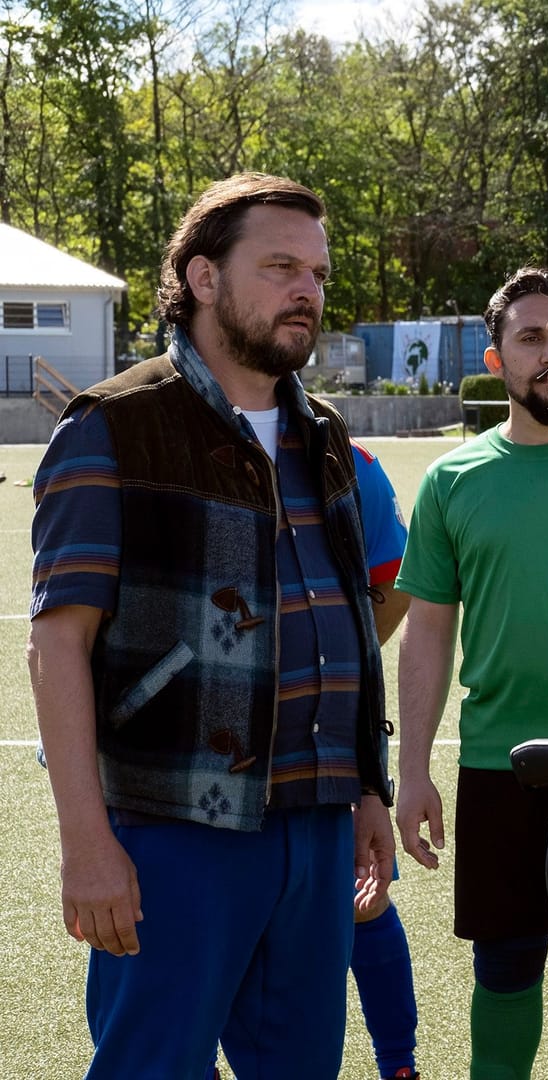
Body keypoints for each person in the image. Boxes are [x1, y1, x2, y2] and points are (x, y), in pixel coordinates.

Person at [27, 172, 395, 1078]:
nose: (306, 290)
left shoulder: (327, 436)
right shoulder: (112, 429)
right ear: (201, 277)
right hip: (173, 829)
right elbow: (57, 645)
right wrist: (87, 842)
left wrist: (367, 785)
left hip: (314, 825)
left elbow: (349, 617)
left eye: (316, 272)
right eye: (278, 267)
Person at [393, 268, 548, 1079]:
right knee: (506, 967)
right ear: (495, 357)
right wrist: (412, 770)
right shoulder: (454, 480)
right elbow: (429, 633)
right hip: (500, 763)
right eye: (531, 337)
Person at [208, 439, 422, 1080]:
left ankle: (399, 1065)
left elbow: (392, 577)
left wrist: (335, 657)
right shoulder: (163, 441)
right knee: (206, 918)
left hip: (330, 741)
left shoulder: (347, 459)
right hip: (207, 758)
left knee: (363, 902)